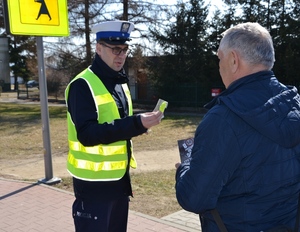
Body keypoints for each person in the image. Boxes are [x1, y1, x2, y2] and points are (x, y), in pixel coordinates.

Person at [175, 22, 300, 231]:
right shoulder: (295, 105)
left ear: (233, 60)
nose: (219, 65)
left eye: (219, 58)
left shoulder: (223, 119)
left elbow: (194, 199)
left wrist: (183, 170)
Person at [65, 20, 163, 232]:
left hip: (118, 184)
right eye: (116, 49)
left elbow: (117, 123)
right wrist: (135, 124)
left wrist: (139, 124)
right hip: (93, 188)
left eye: (125, 49)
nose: (121, 55)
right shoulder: (82, 85)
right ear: (99, 48)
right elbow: (87, 134)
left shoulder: (119, 82)